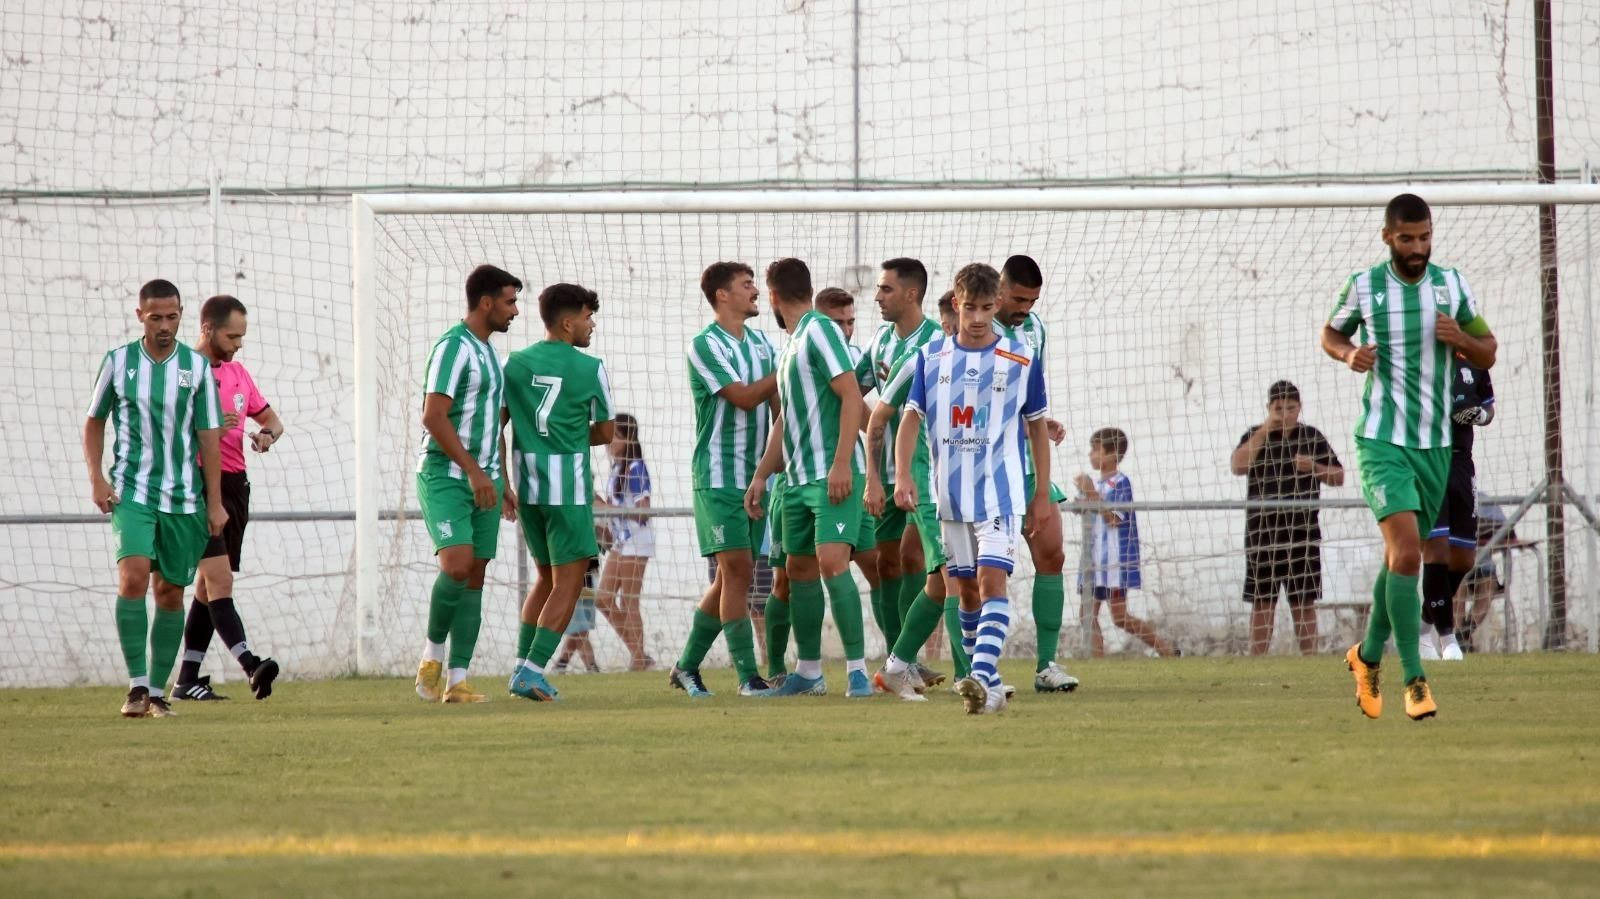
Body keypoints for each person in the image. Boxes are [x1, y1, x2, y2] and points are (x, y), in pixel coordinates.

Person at [1323, 192, 1498, 721]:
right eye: (1407, 239)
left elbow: (1489, 348)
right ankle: (1414, 681)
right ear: (1387, 238)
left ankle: (1366, 657)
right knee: (1406, 553)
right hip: (1381, 441)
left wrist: (1461, 339)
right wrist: (1350, 353)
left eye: (1425, 237)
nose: (1418, 247)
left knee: (1397, 561)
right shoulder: (1365, 286)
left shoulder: (1452, 285)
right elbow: (1331, 333)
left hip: (1436, 445)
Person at [877, 262, 1051, 713]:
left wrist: (1040, 494)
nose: (977, 318)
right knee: (966, 591)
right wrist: (902, 473)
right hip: (950, 499)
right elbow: (909, 419)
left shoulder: (1020, 359)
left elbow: (1035, 428)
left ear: (997, 305)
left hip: (1000, 494)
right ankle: (988, 689)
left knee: (993, 583)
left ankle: (978, 674)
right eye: (969, 307)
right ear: (956, 304)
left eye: (986, 308)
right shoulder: (932, 359)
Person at [84, 279, 226, 718]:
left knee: (169, 592)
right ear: (139, 316)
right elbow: (94, 423)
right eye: (156, 317)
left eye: (172, 316)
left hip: (184, 499)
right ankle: (136, 687)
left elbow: (209, 438)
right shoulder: (119, 362)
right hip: (132, 492)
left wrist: (215, 502)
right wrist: (96, 479)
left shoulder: (196, 368)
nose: (165, 325)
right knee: (133, 577)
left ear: (182, 314)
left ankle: (159, 694)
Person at [744, 258, 871, 699]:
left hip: (829, 476)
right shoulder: (791, 344)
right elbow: (788, 421)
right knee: (798, 571)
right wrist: (762, 474)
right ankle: (810, 672)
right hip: (794, 481)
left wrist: (841, 464)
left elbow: (852, 395)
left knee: (834, 564)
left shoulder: (820, 330)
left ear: (774, 295)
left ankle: (858, 671)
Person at [413, 265, 522, 704]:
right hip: (445, 475)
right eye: (510, 302)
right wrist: (475, 472)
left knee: (475, 576)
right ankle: (432, 653)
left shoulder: (490, 355)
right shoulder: (452, 348)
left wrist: (503, 481)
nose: (515, 311)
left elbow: (492, 425)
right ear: (486, 302)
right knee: (456, 565)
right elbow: (432, 417)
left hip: (486, 480)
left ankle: (457, 682)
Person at [672, 262, 780, 697]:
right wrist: (790, 366)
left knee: (729, 579)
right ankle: (747, 678)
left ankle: (685, 667)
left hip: (757, 478)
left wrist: (779, 462)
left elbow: (776, 405)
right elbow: (742, 397)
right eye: (746, 284)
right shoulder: (705, 345)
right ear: (722, 295)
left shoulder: (761, 343)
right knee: (736, 572)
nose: (755, 291)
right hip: (718, 476)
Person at [172, 294, 285, 701]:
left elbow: (273, 420)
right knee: (219, 580)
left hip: (236, 487)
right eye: (232, 335)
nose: (238, 344)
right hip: (201, 485)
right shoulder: (183, 371)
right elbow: (169, 430)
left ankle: (186, 679)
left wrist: (266, 436)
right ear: (207, 329)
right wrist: (211, 430)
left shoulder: (238, 374)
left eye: (241, 337)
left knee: (207, 586)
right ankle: (250, 664)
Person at [506, 283, 616, 702]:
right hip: (568, 490)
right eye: (588, 317)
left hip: (528, 489)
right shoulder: (591, 368)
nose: (592, 325)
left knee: (546, 579)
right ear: (568, 322)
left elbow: (500, 422)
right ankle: (532, 673)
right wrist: (570, 433)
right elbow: (606, 431)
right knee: (570, 583)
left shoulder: (514, 364)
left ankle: (521, 665)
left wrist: (501, 482)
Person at [993, 255, 1080, 693]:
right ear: (1000, 288)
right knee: (976, 576)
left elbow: (1031, 397)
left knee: (1053, 555)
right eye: (1019, 298)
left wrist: (1041, 424)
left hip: (1025, 464)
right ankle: (977, 669)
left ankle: (1046, 665)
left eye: (1033, 300)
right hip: (983, 470)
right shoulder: (973, 328)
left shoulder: (1035, 329)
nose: (1025, 307)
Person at [1229, 380, 1344, 655]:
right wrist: (1265, 429)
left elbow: (1338, 477)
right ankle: (1256, 660)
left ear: (1299, 408)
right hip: (1262, 533)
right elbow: (1237, 466)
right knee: (1262, 602)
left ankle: (1310, 660)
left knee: (1303, 601)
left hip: (1302, 532)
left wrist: (1315, 468)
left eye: (1290, 408)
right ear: (1269, 408)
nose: (1284, 414)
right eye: (1278, 408)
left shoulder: (1311, 437)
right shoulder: (1255, 435)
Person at [1074, 428, 1177, 658]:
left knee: (1119, 617)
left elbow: (1113, 519)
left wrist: (1090, 493)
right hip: (1093, 562)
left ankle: (1165, 649)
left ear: (1112, 454)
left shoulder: (1121, 484)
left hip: (1114, 563)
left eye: (1096, 449)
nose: (1091, 455)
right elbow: (1080, 508)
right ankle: (1096, 661)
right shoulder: (1096, 485)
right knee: (1087, 614)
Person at [1420, 358, 1495, 662]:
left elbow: (1489, 409)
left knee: (1463, 557)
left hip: (1462, 463)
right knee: (1436, 550)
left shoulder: (1475, 362)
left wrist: (1479, 415)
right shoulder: (1420, 359)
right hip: (1428, 459)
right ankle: (1448, 639)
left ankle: (1422, 625)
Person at [592, 412, 654, 671]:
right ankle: (639, 653)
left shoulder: (636, 467)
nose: (609, 442)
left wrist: (612, 512)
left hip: (636, 542)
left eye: (614, 437)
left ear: (628, 439)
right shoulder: (616, 468)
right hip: (620, 542)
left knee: (629, 601)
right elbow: (616, 506)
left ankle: (639, 659)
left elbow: (643, 509)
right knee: (603, 598)